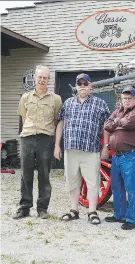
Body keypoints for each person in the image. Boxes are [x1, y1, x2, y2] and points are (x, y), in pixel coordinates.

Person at [54, 73, 110, 225]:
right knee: (72, 181)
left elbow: (107, 125)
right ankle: (74, 210)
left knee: (92, 182)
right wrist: (57, 145)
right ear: (76, 86)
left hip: (90, 150)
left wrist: (106, 145)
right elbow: (60, 123)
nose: (83, 86)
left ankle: (92, 211)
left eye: (86, 84)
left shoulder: (99, 103)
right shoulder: (68, 103)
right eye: (80, 84)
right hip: (71, 149)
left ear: (91, 86)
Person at [14, 65, 62, 219]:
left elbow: (57, 120)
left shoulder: (56, 99)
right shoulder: (25, 97)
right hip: (27, 137)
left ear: (48, 80)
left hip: (45, 139)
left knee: (44, 174)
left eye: (45, 78)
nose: (42, 80)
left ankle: (42, 208)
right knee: (26, 174)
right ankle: (24, 207)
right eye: (40, 77)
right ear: (35, 78)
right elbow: (23, 116)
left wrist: (54, 143)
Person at [104, 87, 135, 230]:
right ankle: (119, 215)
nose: (126, 101)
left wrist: (116, 123)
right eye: (124, 98)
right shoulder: (118, 111)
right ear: (121, 99)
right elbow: (107, 125)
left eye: (129, 98)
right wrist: (118, 122)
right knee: (117, 187)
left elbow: (127, 123)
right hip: (116, 156)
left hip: (130, 156)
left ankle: (131, 219)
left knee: (130, 189)